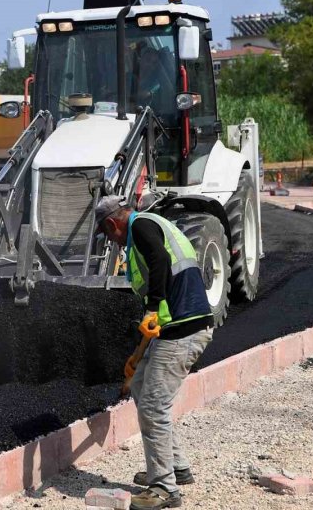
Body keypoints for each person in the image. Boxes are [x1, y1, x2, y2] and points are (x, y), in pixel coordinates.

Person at [95, 196, 214, 509]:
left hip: (184, 329)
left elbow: (160, 261)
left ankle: (164, 488)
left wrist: (151, 306)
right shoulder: (147, 228)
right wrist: (139, 353)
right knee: (140, 386)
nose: (113, 242)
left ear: (112, 224)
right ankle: (175, 467)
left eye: (108, 236)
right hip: (173, 328)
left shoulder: (141, 225)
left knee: (153, 405)